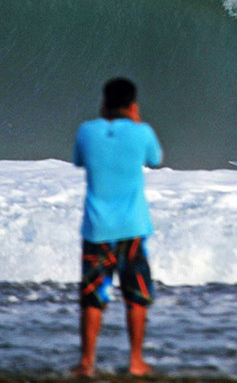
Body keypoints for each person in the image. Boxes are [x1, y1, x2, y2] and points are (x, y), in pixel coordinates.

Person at [71, 77, 163, 378]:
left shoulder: (87, 132)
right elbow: (155, 159)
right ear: (133, 105)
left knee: (92, 295)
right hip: (132, 228)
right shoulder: (142, 132)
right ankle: (136, 361)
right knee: (135, 296)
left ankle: (87, 362)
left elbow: (80, 161)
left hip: (97, 229)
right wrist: (135, 123)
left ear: (103, 103)